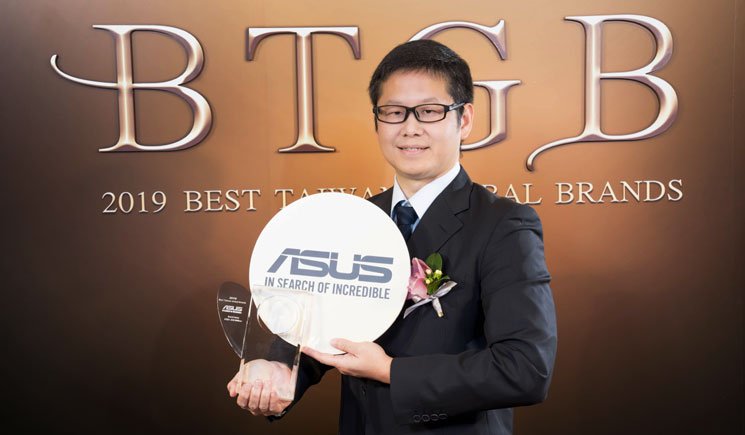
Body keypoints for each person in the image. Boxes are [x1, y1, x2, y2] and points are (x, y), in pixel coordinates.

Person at [228, 39, 557, 435]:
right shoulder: (351, 219)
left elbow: (525, 369)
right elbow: (319, 318)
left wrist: (389, 371)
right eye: (394, 112)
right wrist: (279, 369)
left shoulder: (503, 225)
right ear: (377, 121)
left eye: (430, 111)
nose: (410, 128)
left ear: (465, 119)